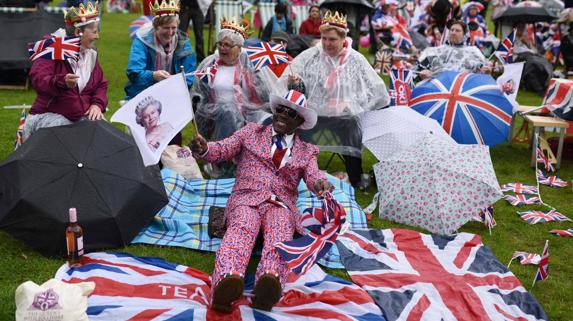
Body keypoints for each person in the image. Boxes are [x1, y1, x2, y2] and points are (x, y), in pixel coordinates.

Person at [189, 89, 333, 313]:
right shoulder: (250, 132)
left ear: (301, 122)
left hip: (281, 204)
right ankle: (227, 281)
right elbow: (222, 149)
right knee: (242, 228)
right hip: (246, 198)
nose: (283, 115)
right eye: (280, 110)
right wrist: (205, 148)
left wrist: (320, 185)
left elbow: (314, 175)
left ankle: (269, 281)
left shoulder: (307, 151)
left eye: (291, 114)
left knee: (281, 231)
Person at [280, 10, 390, 190]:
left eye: (332, 40)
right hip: (316, 114)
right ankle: (296, 173)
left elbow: (377, 91)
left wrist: (354, 104)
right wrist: (296, 83)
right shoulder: (312, 56)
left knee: (352, 127)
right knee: (298, 127)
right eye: (323, 38)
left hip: (343, 117)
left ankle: (355, 178)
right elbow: (300, 91)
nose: (326, 43)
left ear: (343, 39)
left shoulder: (356, 60)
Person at [192, 17, 271, 178]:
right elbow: (197, 92)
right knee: (228, 111)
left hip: (248, 112)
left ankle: (260, 166)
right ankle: (223, 162)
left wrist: (254, 79)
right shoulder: (210, 64)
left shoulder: (250, 64)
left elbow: (264, 96)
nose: (222, 48)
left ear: (239, 47)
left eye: (227, 45)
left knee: (270, 120)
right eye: (220, 43)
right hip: (215, 113)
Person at [24, 0, 107, 141]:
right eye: (94, 32)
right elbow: (39, 80)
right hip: (50, 115)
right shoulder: (52, 48)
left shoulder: (91, 53)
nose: (97, 36)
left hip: (82, 116)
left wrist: (97, 105)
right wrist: (62, 82)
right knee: (72, 136)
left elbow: (100, 84)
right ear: (77, 32)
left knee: (103, 135)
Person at [124, 0, 196, 100]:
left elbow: (190, 75)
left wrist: (175, 81)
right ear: (156, 26)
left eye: (173, 28)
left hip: (174, 95)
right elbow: (134, 73)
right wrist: (153, 76)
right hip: (143, 94)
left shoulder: (183, 42)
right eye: (166, 28)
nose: (170, 32)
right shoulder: (141, 41)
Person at [416, 20, 491, 80]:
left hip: (464, 90)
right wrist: (422, 73)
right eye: (452, 30)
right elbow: (416, 71)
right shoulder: (433, 51)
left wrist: (484, 71)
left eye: (457, 31)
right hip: (438, 89)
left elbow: (482, 74)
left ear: (465, 35)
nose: (453, 33)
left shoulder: (474, 52)